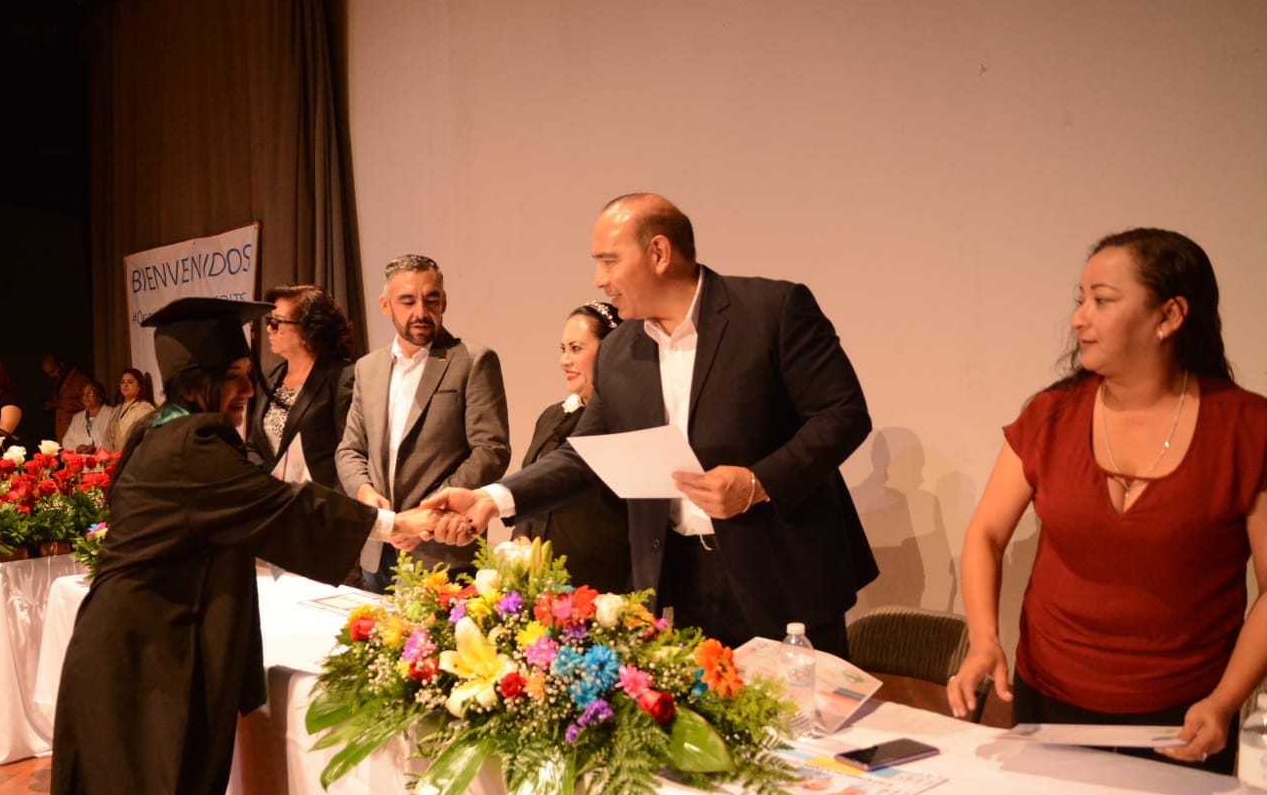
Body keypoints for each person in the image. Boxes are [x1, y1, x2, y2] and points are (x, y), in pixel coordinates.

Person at [46, 296, 447, 795]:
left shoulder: (160, 432)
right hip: (140, 664)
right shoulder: (191, 443)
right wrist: (393, 524)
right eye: (233, 378)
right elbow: (279, 506)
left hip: (144, 651)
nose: (246, 392)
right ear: (198, 382)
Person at [425, 193, 877, 657]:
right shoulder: (620, 349)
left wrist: (757, 483)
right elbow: (584, 454)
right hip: (683, 583)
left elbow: (842, 415)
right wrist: (490, 499)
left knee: (803, 706)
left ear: (659, 252)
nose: (599, 279)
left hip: (782, 574)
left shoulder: (771, 310)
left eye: (609, 261)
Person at [947, 228, 1267, 775]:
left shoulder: (1246, 428)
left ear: (1169, 316)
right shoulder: (1050, 416)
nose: (1079, 319)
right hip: (1048, 695)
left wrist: (1224, 702)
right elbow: (986, 534)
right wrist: (983, 640)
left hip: (1185, 713)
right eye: (1080, 300)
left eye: (1102, 300)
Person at [336, 254, 510, 592]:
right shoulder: (367, 368)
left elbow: (490, 451)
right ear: (385, 305)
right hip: (377, 548)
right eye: (407, 301)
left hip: (443, 551)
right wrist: (365, 492)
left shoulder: (473, 361)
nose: (421, 311)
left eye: (431, 299)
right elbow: (350, 449)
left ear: (443, 300)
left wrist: (427, 518)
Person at [511, 301, 631, 593]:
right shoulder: (552, 416)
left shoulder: (629, 423)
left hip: (602, 587)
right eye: (563, 349)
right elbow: (532, 482)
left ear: (611, 351)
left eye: (576, 349)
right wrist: (521, 535)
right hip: (543, 587)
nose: (564, 360)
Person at [246, 285, 354, 487]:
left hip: (322, 500)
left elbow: (350, 452)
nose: (269, 328)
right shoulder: (269, 378)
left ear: (308, 329)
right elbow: (254, 446)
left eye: (277, 322)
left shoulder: (342, 377)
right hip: (275, 499)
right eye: (269, 321)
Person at [43, 354, 92, 443]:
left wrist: (61, 404)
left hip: (77, 435)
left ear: (61, 364)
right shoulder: (57, 382)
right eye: (49, 374)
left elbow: (89, 403)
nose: (52, 375)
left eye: (53, 371)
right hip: (63, 435)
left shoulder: (80, 379)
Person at [105, 367, 156, 451]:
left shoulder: (144, 409)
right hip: (115, 456)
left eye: (130, 382)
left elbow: (145, 439)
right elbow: (109, 436)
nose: (125, 385)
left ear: (139, 386)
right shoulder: (117, 409)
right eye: (122, 382)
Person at [61, 381, 114, 454]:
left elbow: (115, 440)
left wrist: (96, 447)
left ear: (100, 397)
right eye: (83, 394)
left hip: (103, 459)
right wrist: (76, 448)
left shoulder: (111, 414)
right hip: (81, 459)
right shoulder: (77, 417)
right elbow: (66, 440)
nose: (85, 397)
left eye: (90, 393)